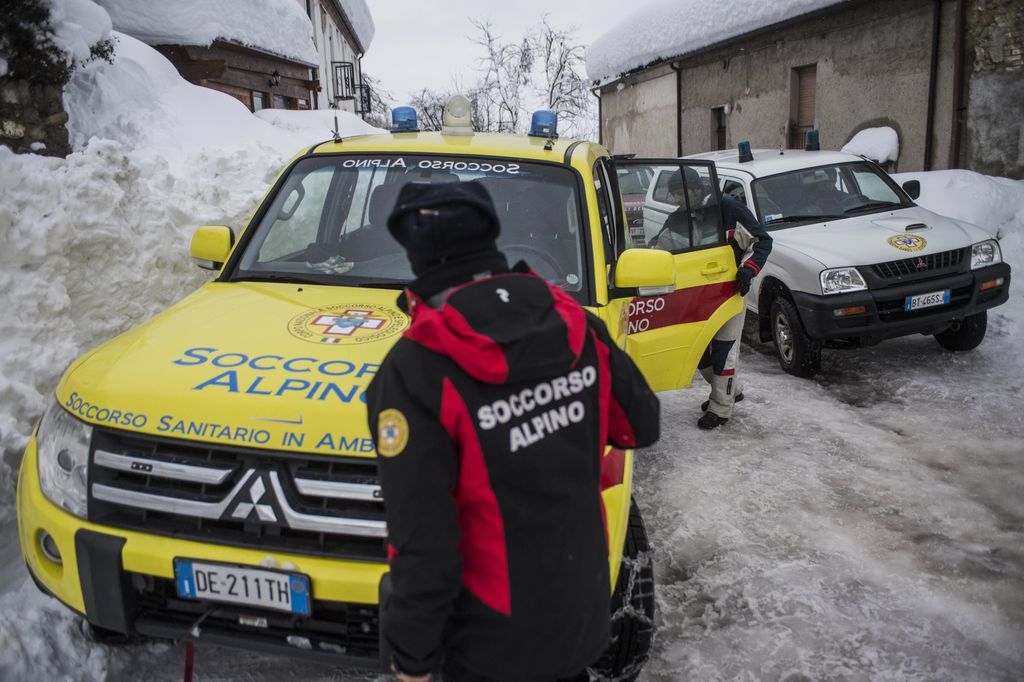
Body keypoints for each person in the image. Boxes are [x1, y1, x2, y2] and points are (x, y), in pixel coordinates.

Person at [366, 180, 661, 682]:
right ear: (492, 236)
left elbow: (424, 544)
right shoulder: (576, 323)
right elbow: (641, 424)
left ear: (413, 256)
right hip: (578, 614)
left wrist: (411, 659)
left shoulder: (415, 367)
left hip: (487, 645)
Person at [649, 167, 772, 429]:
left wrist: (747, 271)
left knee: (723, 352)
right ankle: (730, 390)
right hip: (694, 297)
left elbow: (762, 241)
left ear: (696, 189)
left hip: (728, 294)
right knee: (700, 354)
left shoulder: (727, 208)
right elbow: (657, 251)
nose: (678, 200)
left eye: (681, 193)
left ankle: (720, 408)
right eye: (675, 195)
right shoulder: (676, 220)